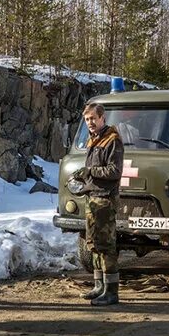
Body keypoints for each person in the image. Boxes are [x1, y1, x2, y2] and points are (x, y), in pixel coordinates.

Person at [73, 102, 124, 306]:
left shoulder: (112, 140)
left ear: (102, 118)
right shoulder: (94, 140)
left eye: (93, 118)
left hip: (105, 199)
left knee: (106, 247)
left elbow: (114, 171)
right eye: (87, 120)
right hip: (92, 197)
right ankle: (98, 286)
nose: (90, 123)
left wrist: (91, 172)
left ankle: (111, 292)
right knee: (93, 244)